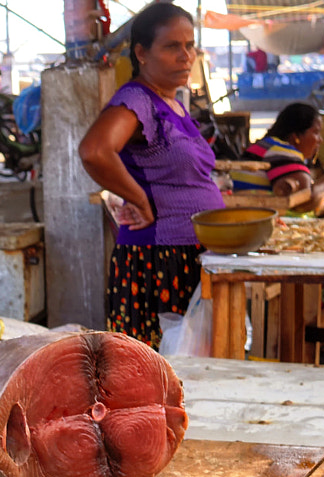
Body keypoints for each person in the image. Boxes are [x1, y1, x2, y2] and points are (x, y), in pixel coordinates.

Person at [78, 2, 222, 347]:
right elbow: (95, 151)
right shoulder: (137, 99)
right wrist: (139, 199)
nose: (185, 55)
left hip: (187, 255)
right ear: (141, 53)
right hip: (159, 263)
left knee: (192, 371)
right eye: (172, 46)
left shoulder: (172, 103)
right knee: (158, 376)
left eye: (189, 45)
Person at [229, 102, 324, 211]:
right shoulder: (280, 151)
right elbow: (306, 200)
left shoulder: (266, 146)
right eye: (316, 132)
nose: (320, 140)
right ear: (296, 137)